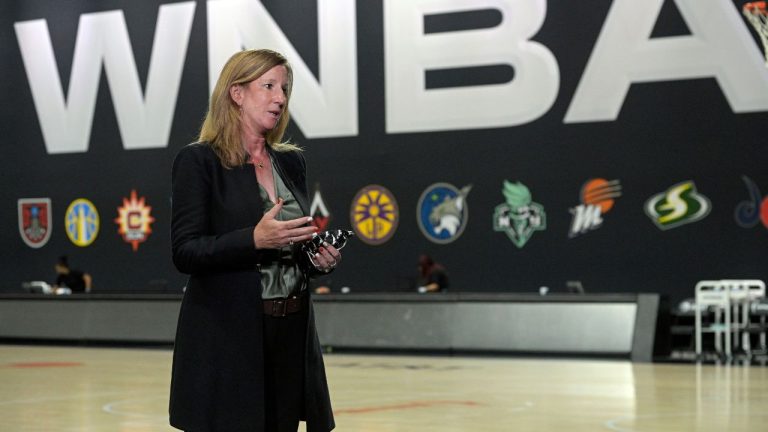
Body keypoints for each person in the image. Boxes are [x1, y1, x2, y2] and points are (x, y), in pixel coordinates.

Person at [169, 49, 340, 432]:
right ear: (237, 93)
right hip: (231, 339)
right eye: (268, 86)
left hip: (291, 333)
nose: (280, 97)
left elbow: (291, 247)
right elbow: (185, 251)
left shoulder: (290, 161)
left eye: (284, 88)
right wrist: (253, 239)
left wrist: (317, 259)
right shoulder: (199, 162)